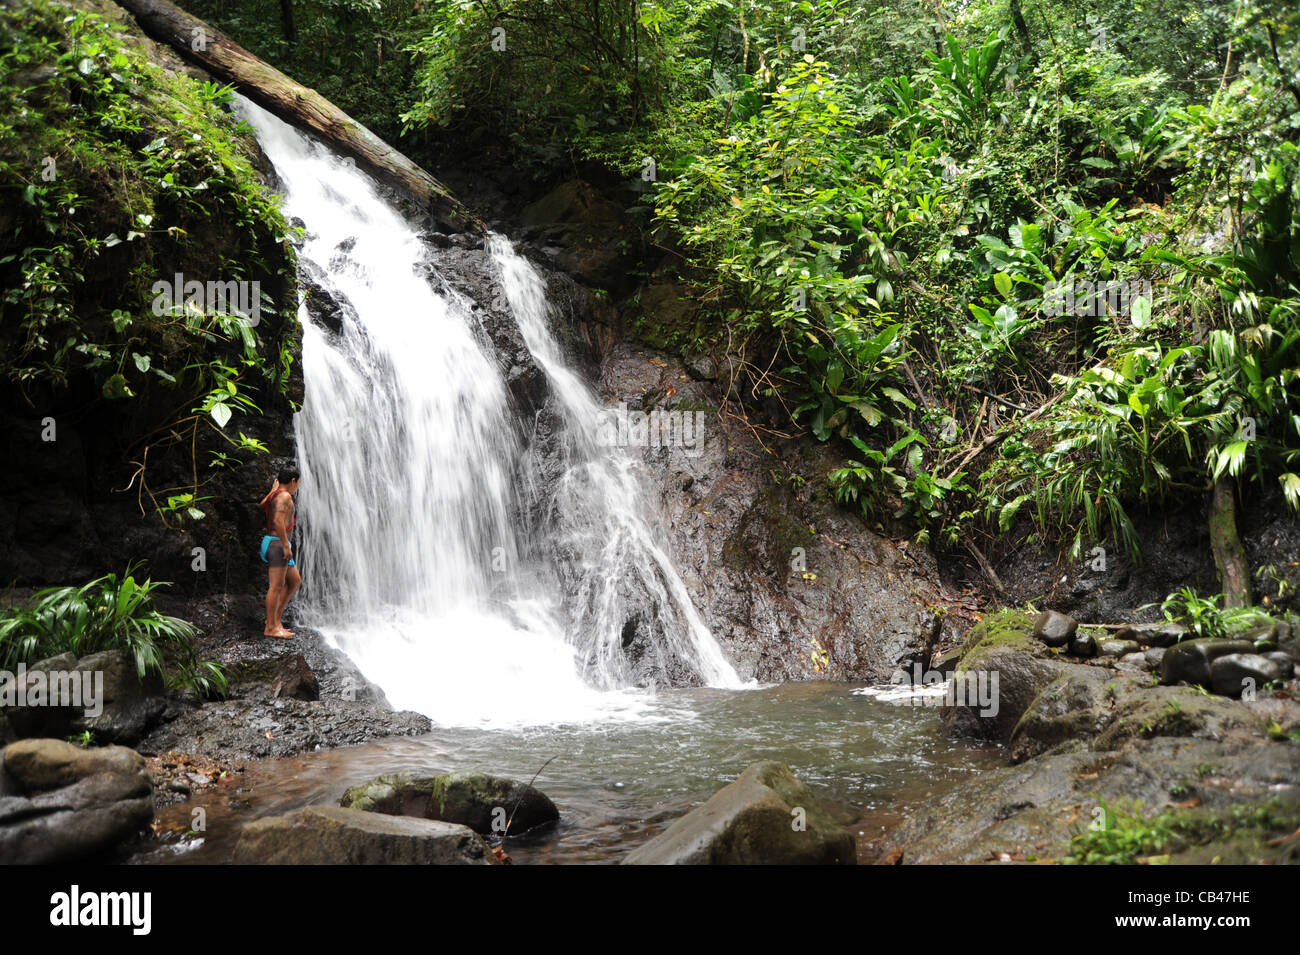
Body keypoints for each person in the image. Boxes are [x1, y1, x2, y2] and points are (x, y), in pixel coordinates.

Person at [258, 468, 302, 638]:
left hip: (273, 543)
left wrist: (271, 491)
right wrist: (286, 545)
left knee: (294, 581)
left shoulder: (276, 495)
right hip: (277, 545)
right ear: (293, 481)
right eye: (298, 483)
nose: (297, 487)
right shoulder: (285, 496)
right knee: (276, 586)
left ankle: (275, 620)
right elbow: (277, 521)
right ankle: (270, 628)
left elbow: (262, 506)